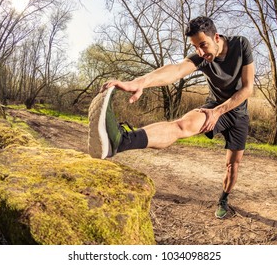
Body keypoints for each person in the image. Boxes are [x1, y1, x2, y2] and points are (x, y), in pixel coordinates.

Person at [88, 16, 255, 219]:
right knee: (182, 126)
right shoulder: (201, 57)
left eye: (203, 44)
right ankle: (119, 142)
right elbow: (175, 71)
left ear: (217, 37)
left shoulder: (240, 45)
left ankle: (223, 198)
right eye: (195, 47)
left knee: (232, 165)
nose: (201, 52)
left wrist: (219, 111)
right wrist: (139, 82)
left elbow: (247, 89)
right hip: (213, 106)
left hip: (238, 113)